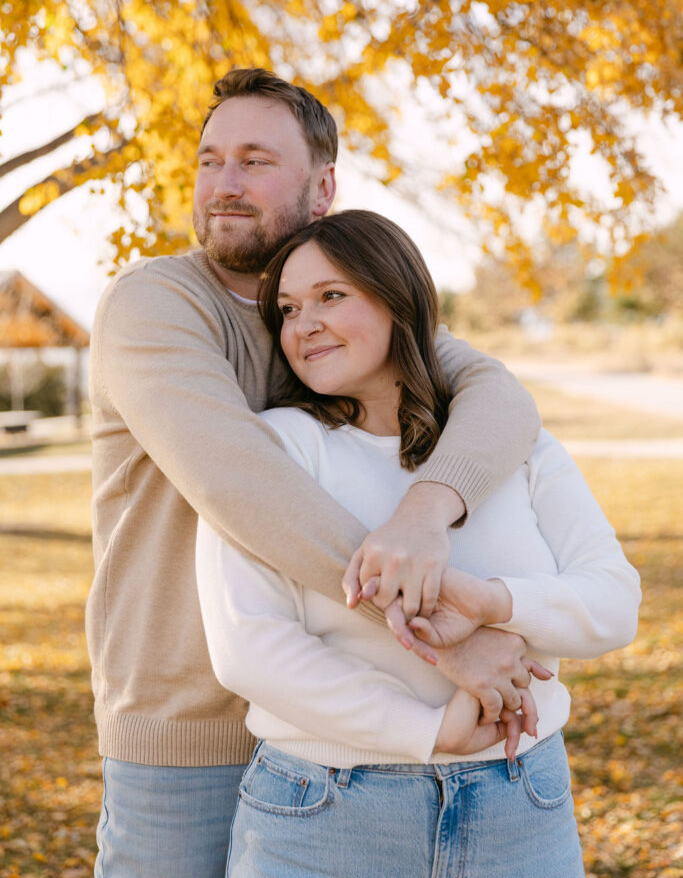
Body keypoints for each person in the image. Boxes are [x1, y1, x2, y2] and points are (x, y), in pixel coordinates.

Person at [86, 69, 541, 878]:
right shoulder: (154, 304)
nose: (224, 184)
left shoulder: (339, 311)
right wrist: (444, 637)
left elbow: (498, 397)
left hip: (334, 732)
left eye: (255, 160)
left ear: (323, 185)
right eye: (209, 159)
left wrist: (425, 512)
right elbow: (241, 486)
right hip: (186, 735)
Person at [196, 209, 641, 878]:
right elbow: (248, 646)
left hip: (521, 806)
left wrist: (490, 603)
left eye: (331, 296)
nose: (302, 324)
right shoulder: (277, 448)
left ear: (397, 297)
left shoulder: (506, 442)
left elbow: (614, 600)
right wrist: (425, 733)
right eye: (287, 309)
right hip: (325, 816)